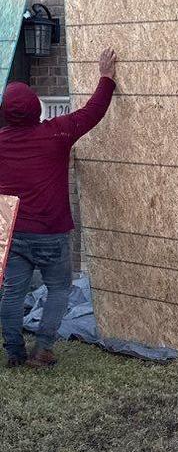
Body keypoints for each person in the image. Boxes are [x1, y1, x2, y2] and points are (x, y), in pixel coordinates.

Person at [0, 48, 117, 369]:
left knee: (12, 293)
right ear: (36, 107)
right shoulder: (56, 134)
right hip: (50, 234)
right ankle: (43, 350)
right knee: (59, 288)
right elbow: (93, 111)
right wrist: (106, 77)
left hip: (12, 234)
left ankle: (14, 353)